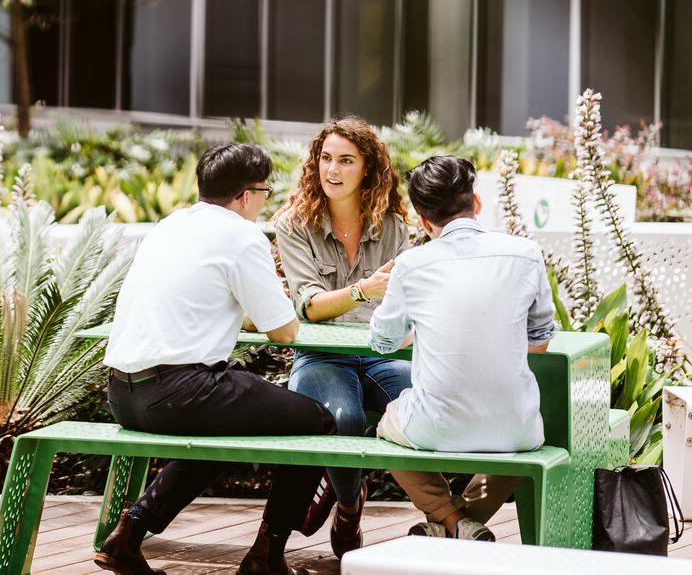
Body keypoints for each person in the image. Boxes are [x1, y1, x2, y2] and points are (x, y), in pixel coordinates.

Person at [95, 143, 336, 575]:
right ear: (246, 195)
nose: (265, 202)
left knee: (224, 429)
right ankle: (267, 555)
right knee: (318, 421)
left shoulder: (171, 225)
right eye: (265, 191)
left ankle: (128, 534)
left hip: (122, 393)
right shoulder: (242, 235)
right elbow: (284, 331)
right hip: (179, 392)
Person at [369, 154, 557, 540]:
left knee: (386, 423)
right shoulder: (526, 254)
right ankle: (462, 524)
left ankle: (448, 520)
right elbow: (539, 341)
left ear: (423, 221)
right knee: (518, 439)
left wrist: (418, 331)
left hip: (434, 428)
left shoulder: (411, 264)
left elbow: (384, 342)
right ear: (477, 203)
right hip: (518, 429)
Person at [272, 116, 413, 556]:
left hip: (379, 354)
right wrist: (362, 290)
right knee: (343, 420)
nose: (332, 170)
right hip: (321, 354)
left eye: (346, 161)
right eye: (326, 159)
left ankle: (444, 525)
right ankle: (350, 507)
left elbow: (407, 305)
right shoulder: (294, 224)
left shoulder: (394, 227)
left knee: (424, 405)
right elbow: (309, 305)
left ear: (368, 169)